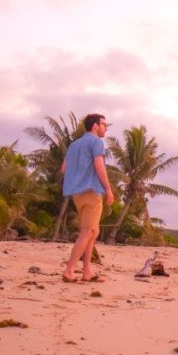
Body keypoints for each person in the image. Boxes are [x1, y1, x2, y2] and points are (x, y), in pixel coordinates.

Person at [61, 113, 115, 282]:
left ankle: (87, 271)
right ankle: (69, 270)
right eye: (104, 124)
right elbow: (99, 166)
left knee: (93, 231)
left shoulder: (74, 145)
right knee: (88, 231)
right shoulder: (96, 142)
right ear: (95, 126)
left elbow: (63, 169)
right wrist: (108, 189)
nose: (106, 128)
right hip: (91, 191)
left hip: (77, 194)